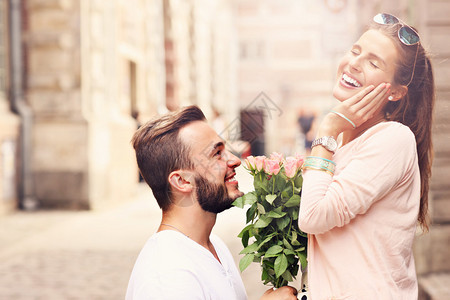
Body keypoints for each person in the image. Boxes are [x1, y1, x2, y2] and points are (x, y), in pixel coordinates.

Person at [298, 13, 434, 299]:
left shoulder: (393, 140)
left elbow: (312, 216)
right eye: (355, 51)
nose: (354, 64)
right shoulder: (342, 143)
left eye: (374, 62)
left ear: (396, 92)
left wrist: (327, 127)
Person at [126, 105, 297, 300]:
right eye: (217, 154)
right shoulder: (167, 274)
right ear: (182, 181)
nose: (235, 160)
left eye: (226, 150)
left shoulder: (213, 245)